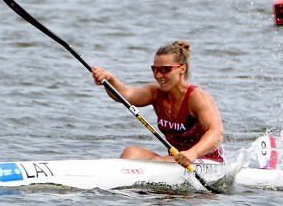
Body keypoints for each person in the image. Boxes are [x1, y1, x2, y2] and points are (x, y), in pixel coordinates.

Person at [91, 41, 224, 168]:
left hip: (205, 161)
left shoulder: (197, 97)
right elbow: (123, 95)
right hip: (175, 161)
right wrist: (109, 79)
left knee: (155, 161)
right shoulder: (155, 93)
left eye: (166, 70)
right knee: (131, 152)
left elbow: (217, 132)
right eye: (155, 70)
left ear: (182, 69)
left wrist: (193, 153)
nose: (159, 75)